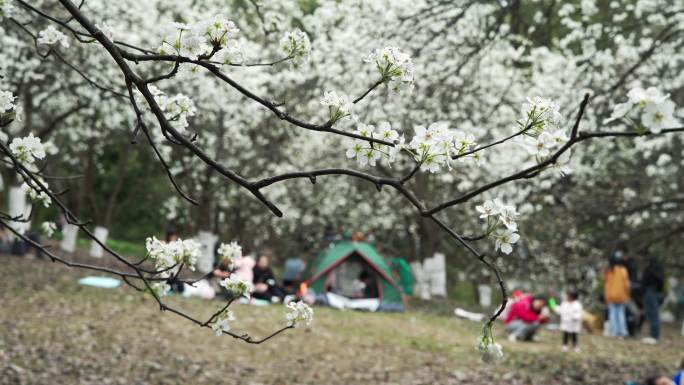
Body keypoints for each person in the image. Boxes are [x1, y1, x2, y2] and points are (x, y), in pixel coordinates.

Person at [604, 254, 630, 337]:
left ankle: (614, 332)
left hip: (611, 296)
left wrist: (607, 297)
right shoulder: (623, 270)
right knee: (621, 314)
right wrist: (627, 295)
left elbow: (607, 285)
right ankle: (622, 331)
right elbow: (626, 285)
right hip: (621, 296)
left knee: (613, 314)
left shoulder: (609, 271)